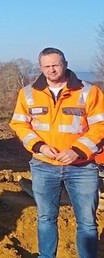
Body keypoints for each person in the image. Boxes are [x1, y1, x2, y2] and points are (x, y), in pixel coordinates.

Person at [9, 47, 104, 258]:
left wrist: (77, 151)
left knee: (87, 222)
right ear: (41, 68)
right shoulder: (27, 93)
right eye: (47, 66)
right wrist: (39, 146)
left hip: (82, 167)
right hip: (44, 166)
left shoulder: (89, 92)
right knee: (45, 218)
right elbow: (20, 125)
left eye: (56, 65)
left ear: (65, 64)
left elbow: (101, 126)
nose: (51, 70)